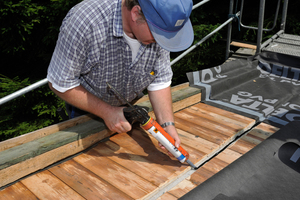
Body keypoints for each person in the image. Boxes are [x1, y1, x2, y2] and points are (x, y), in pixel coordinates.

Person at [47, 0, 194, 151]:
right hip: (87, 110)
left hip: (130, 107)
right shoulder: (85, 20)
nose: (162, 41)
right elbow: (60, 81)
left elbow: (160, 79)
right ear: (136, 13)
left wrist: (167, 126)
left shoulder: (158, 22)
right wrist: (107, 112)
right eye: (160, 34)